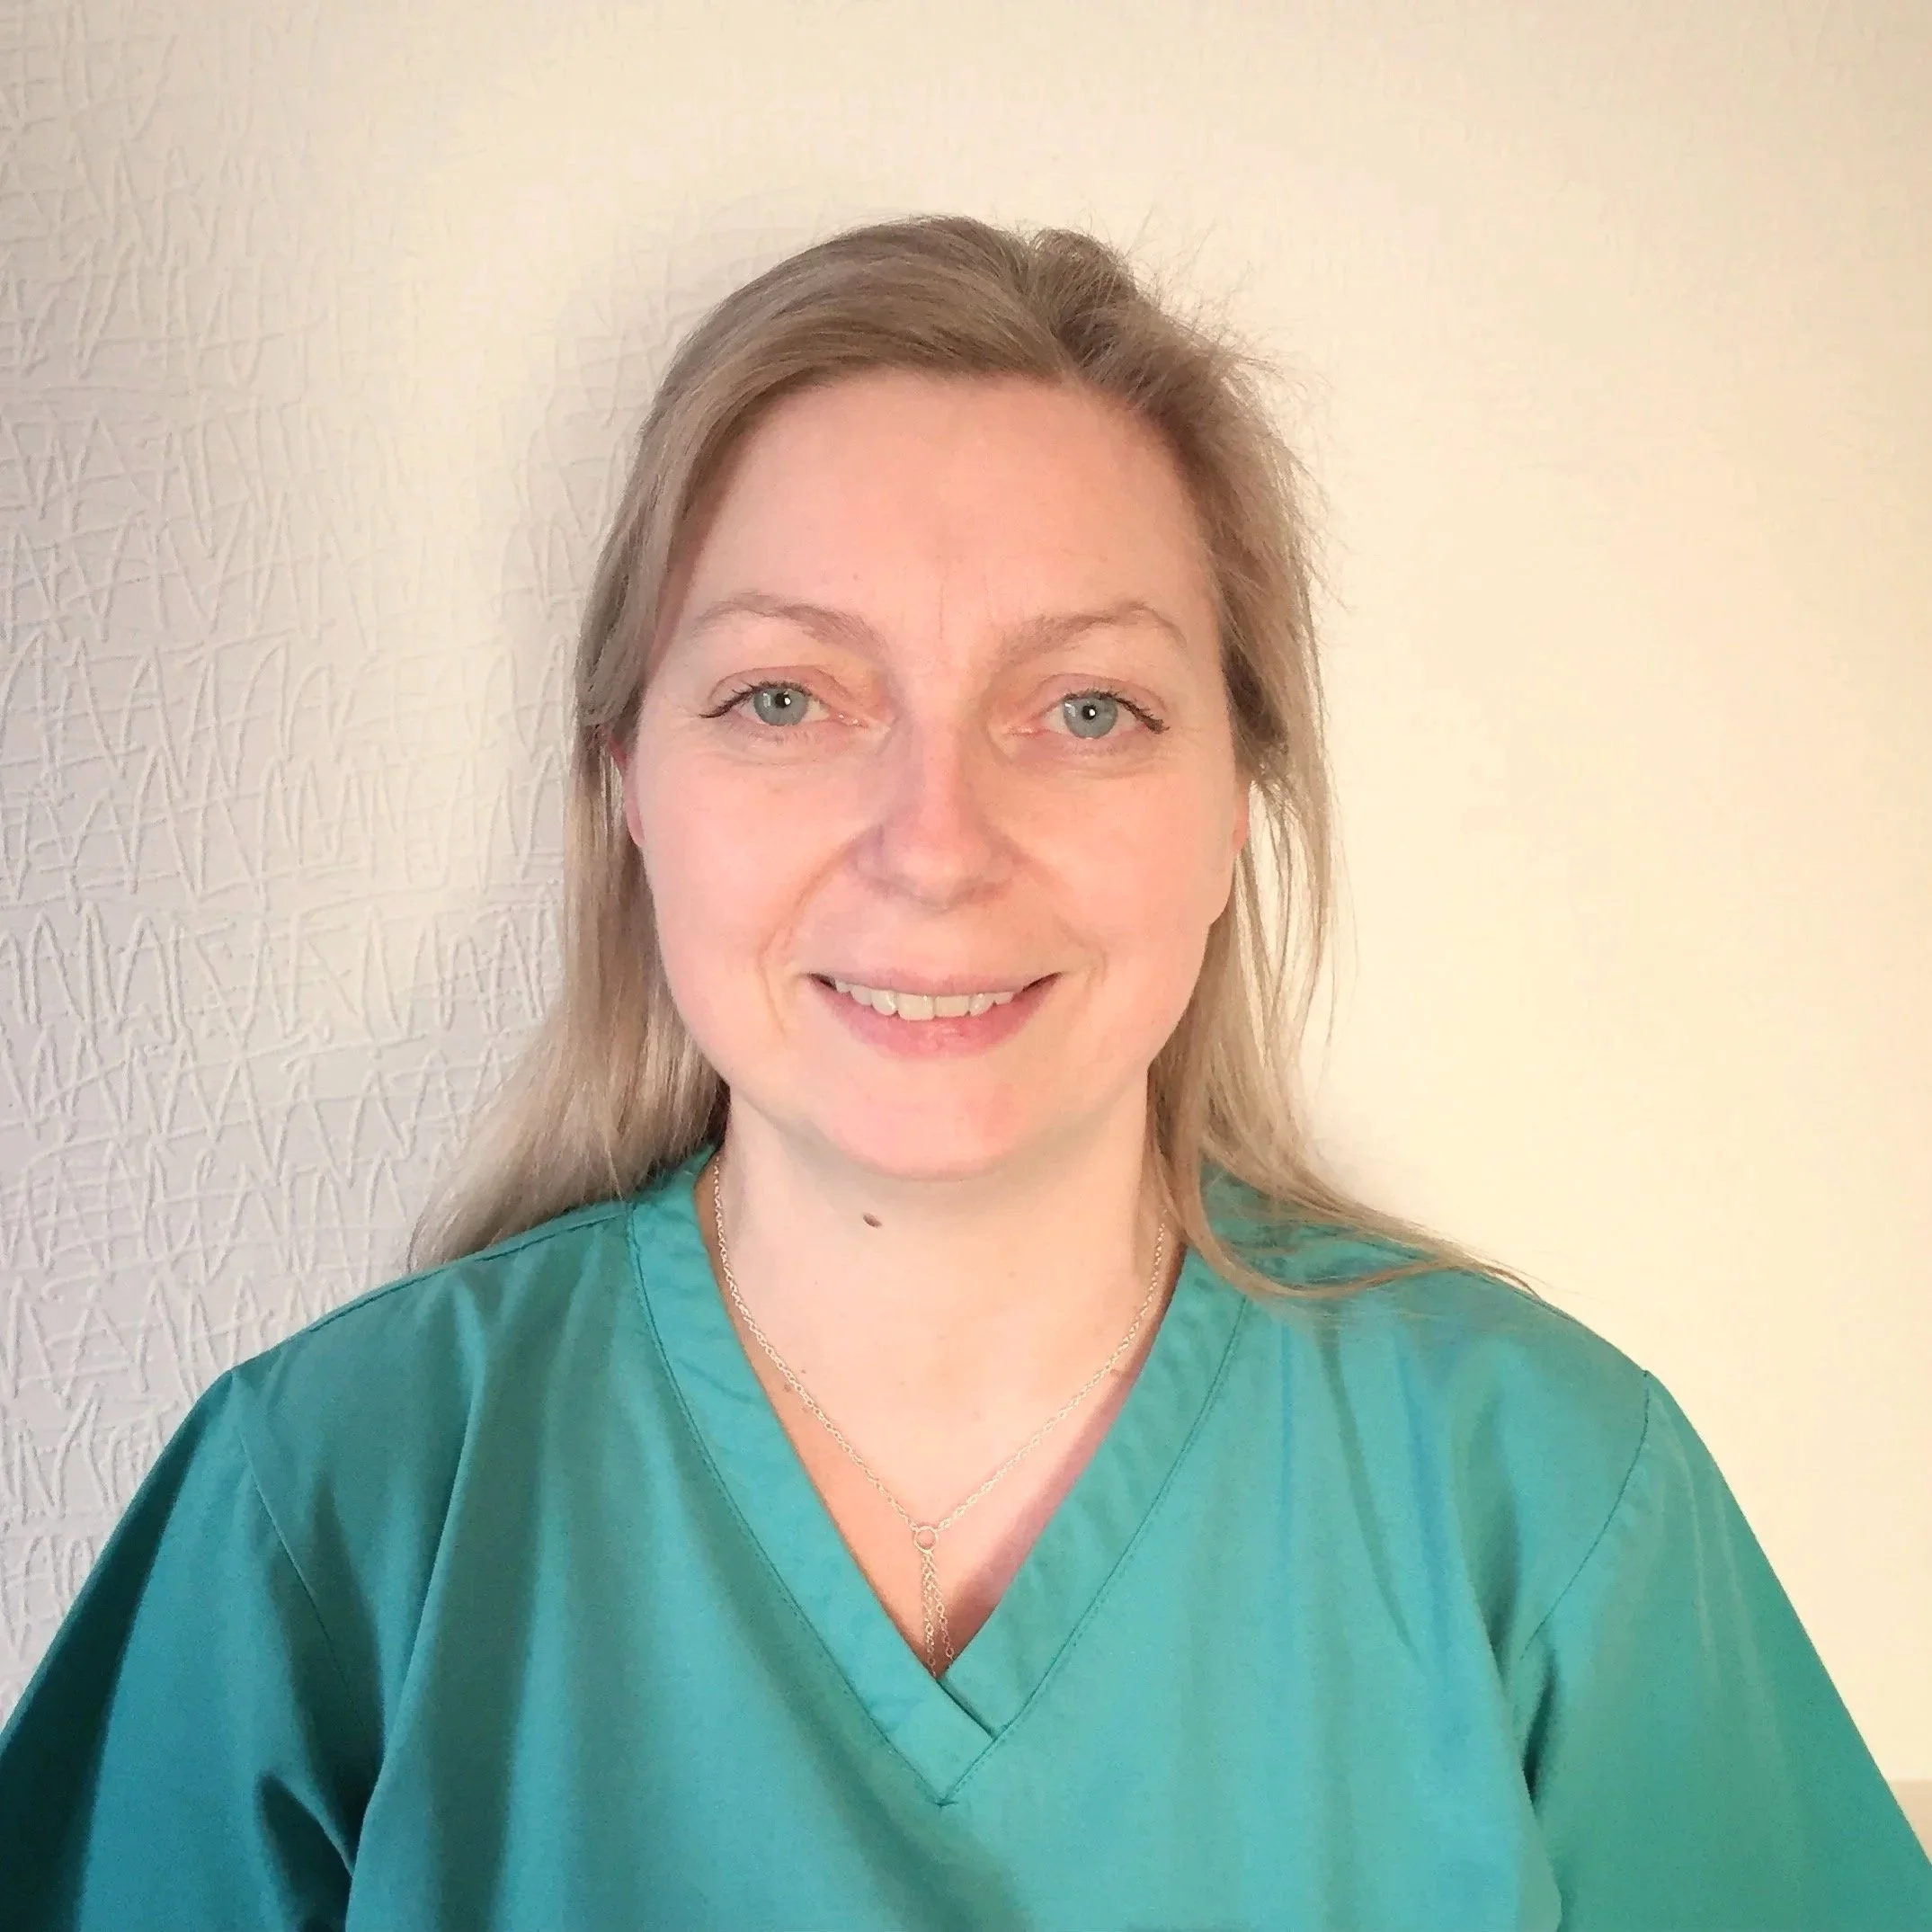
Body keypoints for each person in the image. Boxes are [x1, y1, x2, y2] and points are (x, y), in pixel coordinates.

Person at [0, 216, 1926, 1932]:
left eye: (1085, 708)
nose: (936, 843)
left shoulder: (1545, 1503)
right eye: (784, 699)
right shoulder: (330, 1509)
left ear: (1236, 800)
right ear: (625, 788)